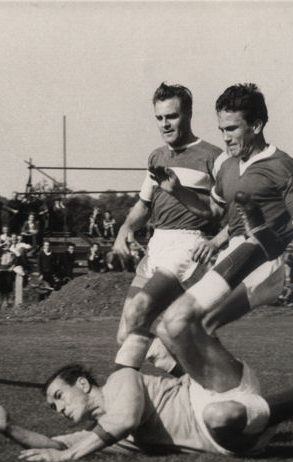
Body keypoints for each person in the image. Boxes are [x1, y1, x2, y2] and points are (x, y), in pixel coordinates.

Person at [0, 308, 293, 461]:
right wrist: (7, 428)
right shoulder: (100, 433)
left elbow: (125, 419)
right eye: (53, 407)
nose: (58, 409)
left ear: (82, 383)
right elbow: (55, 444)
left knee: (171, 329)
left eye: (59, 397)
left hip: (216, 385)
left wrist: (69, 457)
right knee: (219, 415)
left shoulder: (119, 380)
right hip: (228, 435)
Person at [150, 83, 293, 368]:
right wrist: (177, 191)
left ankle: (235, 394)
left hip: (263, 261)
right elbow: (214, 211)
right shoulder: (227, 167)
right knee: (175, 335)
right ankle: (222, 392)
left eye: (232, 129)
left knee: (193, 323)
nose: (226, 138)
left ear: (257, 125)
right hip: (233, 254)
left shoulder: (283, 165)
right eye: (222, 130)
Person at [111, 82, 223, 372]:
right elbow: (143, 206)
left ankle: (119, 403)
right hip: (156, 244)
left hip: (187, 244)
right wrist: (125, 228)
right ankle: (200, 382)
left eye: (171, 116)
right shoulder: (156, 157)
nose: (164, 124)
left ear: (187, 114)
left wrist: (179, 192)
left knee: (139, 315)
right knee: (128, 335)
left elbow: (219, 212)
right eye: (159, 118)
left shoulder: (213, 157)